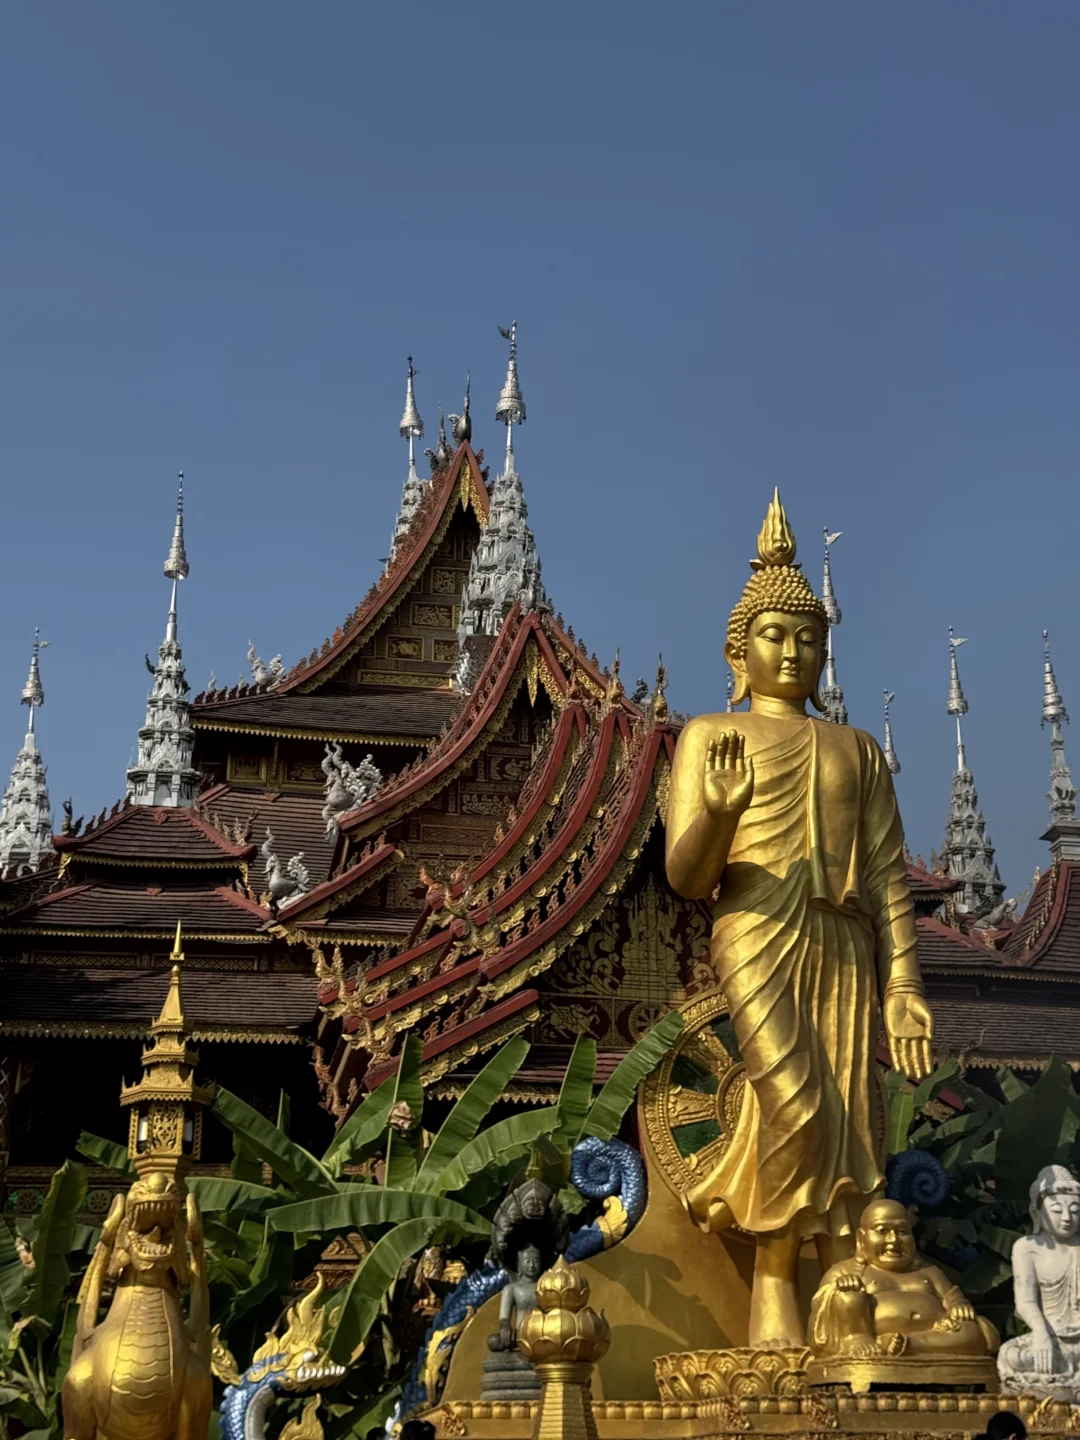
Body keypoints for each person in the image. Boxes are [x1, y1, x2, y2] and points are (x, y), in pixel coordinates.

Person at [666, 491, 933, 1348]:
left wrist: (905, 982)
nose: (794, 652)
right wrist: (715, 810)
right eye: (774, 637)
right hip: (755, 925)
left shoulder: (856, 750)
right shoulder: (710, 735)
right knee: (795, 1096)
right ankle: (775, 1281)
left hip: (846, 941)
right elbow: (687, 874)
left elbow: (889, 872)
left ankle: (847, 1293)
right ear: (739, 652)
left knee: (854, 1117)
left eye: (809, 638)